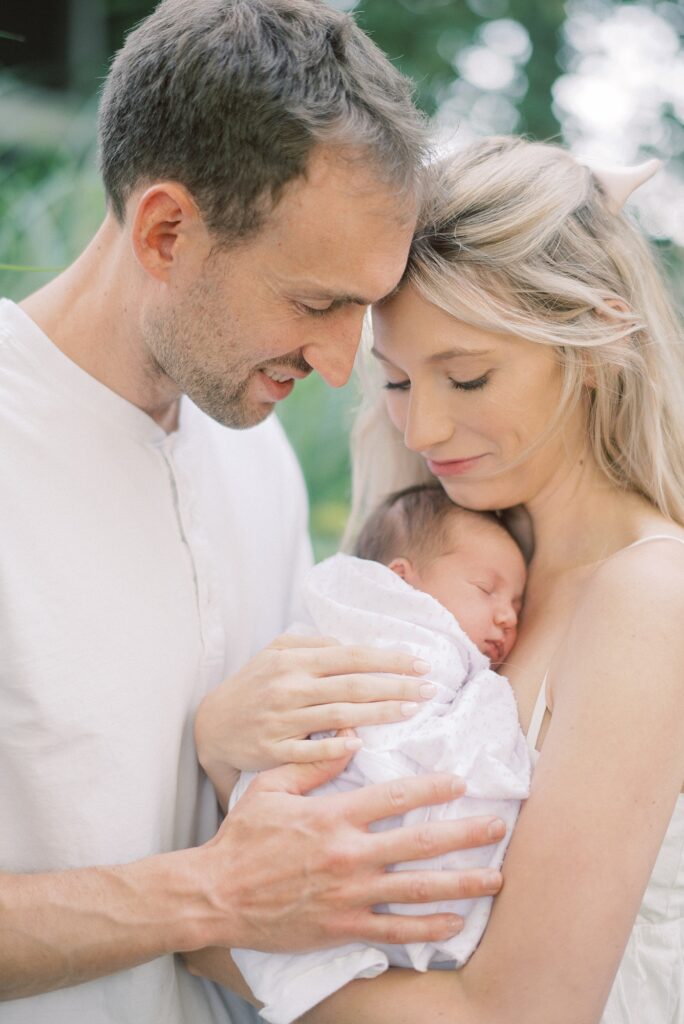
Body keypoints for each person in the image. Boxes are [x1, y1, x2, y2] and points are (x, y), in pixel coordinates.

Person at [0, 4, 508, 1021]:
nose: (337, 365)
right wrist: (213, 891)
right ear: (165, 231)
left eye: (364, 310)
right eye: (317, 304)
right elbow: (240, 885)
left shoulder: (259, 459)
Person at [188, 138, 684, 1023]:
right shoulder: (440, 561)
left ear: (598, 338)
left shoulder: (652, 595)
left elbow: (519, 1014)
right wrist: (225, 750)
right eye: (398, 381)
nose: (422, 427)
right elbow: (320, 845)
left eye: (467, 376)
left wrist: (198, 932)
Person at [229, 485, 530, 1023]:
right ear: (399, 581)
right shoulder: (386, 643)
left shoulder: (456, 666)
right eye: (487, 589)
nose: (507, 617)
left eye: (517, 604)